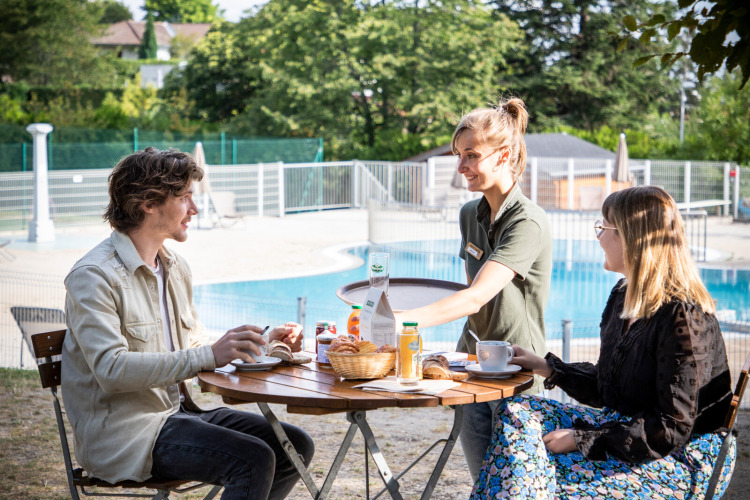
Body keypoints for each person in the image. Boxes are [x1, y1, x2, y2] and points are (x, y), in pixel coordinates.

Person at [61, 147, 314, 500]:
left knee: (295, 445)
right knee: (253, 459)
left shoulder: (174, 267)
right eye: (184, 197)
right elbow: (112, 370)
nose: (194, 209)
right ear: (148, 203)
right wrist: (209, 355)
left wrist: (262, 341)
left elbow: (194, 348)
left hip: (180, 413)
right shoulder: (94, 276)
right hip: (127, 435)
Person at [471, 186, 735, 499]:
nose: (598, 237)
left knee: (543, 473)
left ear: (632, 238)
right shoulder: (622, 297)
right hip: (622, 426)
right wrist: (546, 367)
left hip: (681, 457)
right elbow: (609, 387)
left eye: (604, 227)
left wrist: (581, 439)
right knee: (516, 411)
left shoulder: (684, 318)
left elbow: (671, 429)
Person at [394, 97, 552, 480]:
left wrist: (399, 321)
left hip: (517, 372)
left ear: (504, 154)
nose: (461, 167)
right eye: (458, 156)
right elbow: (472, 294)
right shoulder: (470, 214)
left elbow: (476, 296)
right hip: (470, 367)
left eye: (470, 155)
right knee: (483, 482)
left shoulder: (528, 221)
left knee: (517, 485)